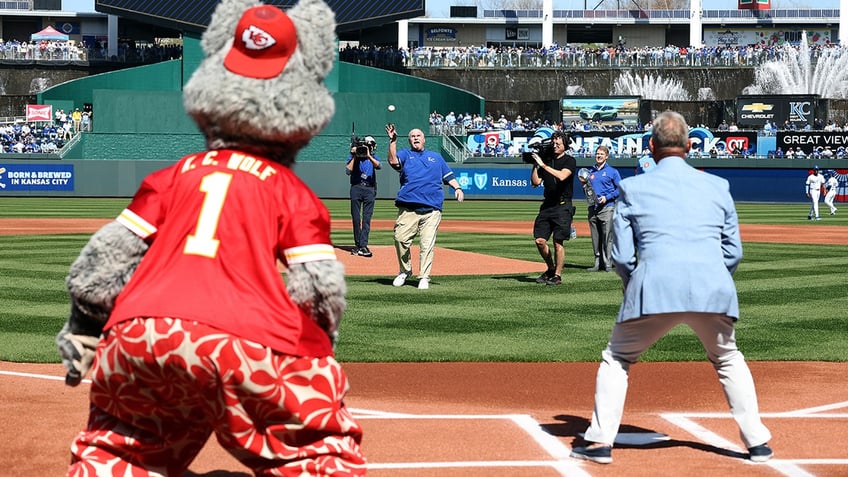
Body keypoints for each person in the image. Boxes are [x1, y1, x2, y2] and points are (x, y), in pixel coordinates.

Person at [54, 1, 366, 475]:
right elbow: (318, 291)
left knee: (120, 449)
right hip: (247, 338)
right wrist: (316, 355)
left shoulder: (171, 176)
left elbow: (103, 264)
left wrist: (83, 330)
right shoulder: (291, 192)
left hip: (141, 332)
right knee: (320, 455)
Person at [570, 111, 773, 465]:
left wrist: (633, 284)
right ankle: (757, 442)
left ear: (651, 147)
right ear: (690, 145)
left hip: (654, 287)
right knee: (728, 358)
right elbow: (734, 252)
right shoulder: (717, 186)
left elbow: (621, 255)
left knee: (617, 359)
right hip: (713, 288)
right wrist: (713, 277)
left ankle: (600, 442)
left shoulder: (633, 187)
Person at [385, 123, 464, 290]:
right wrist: (392, 141)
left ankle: (424, 277)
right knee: (400, 239)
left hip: (432, 209)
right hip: (408, 208)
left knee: (427, 244)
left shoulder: (436, 157)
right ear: (409, 141)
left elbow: (448, 175)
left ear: (424, 139)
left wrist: (457, 188)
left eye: (418, 136)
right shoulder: (405, 154)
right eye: (412, 136)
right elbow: (393, 161)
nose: (415, 138)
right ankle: (405, 271)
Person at [529, 129, 577, 286]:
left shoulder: (569, 160)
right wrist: (536, 165)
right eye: (554, 141)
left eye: (558, 142)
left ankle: (557, 275)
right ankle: (550, 268)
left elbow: (562, 176)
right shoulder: (547, 159)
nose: (555, 144)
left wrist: (543, 164)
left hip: (563, 205)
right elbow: (535, 183)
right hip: (547, 205)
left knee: (558, 242)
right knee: (540, 241)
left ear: (565, 145)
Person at [583, 145, 621, 272]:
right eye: (597, 153)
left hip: (607, 207)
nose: (598, 156)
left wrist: (607, 197)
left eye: (601, 154)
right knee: (595, 237)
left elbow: (620, 189)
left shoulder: (612, 172)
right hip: (593, 207)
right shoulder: (590, 172)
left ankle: (608, 263)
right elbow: (588, 189)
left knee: (607, 237)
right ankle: (597, 263)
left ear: (606, 156)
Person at [346, 135, 381, 257]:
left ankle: (363, 245)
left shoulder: (373, 157)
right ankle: (358, 245)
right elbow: (348, 171)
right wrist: (355, 155)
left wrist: (369, 155)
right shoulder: (353, 157)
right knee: (356, 218)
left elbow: (379, 166)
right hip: (356, 187)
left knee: (366, 219)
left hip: (369, 188)